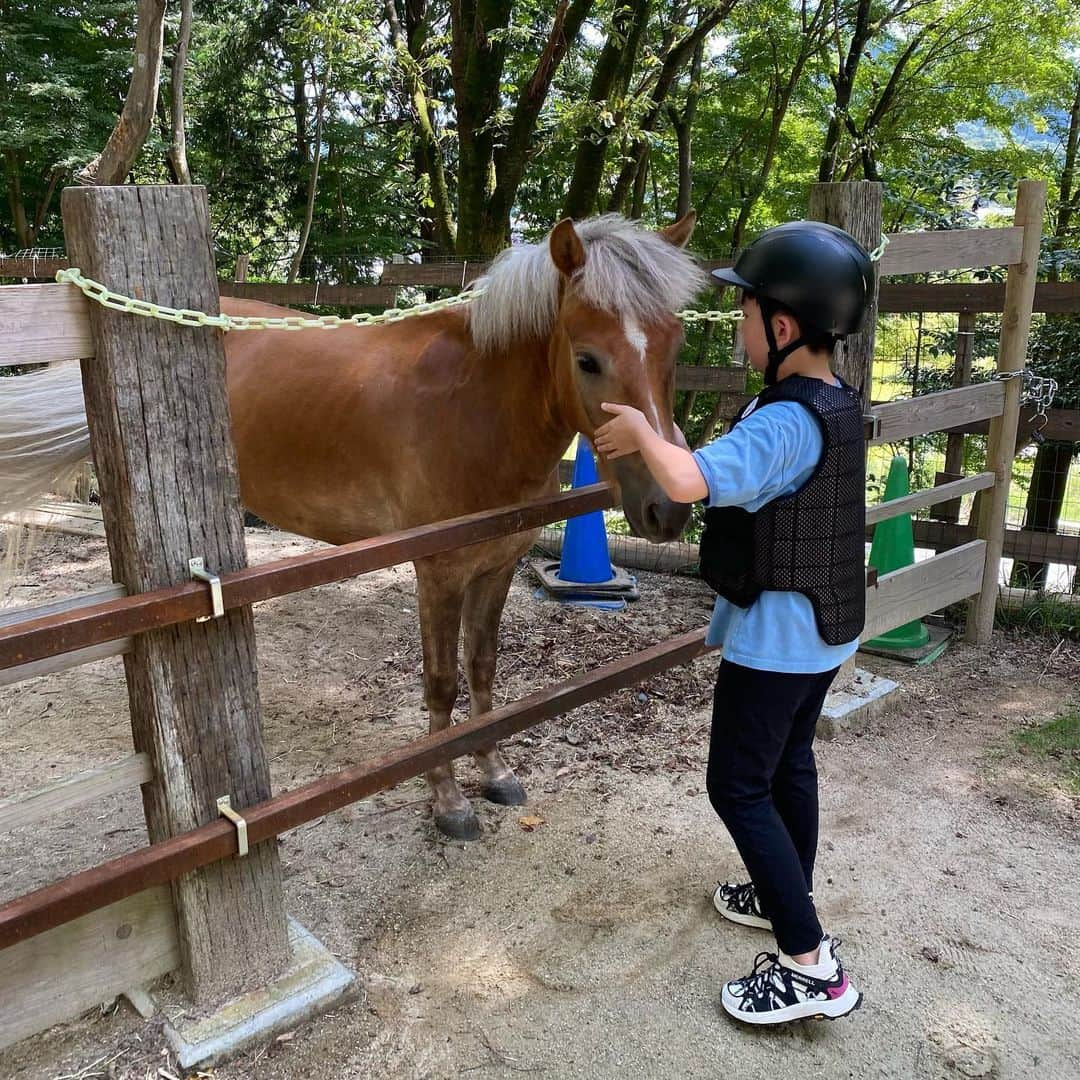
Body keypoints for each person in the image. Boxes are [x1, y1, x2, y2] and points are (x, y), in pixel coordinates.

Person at [594, 220, 872, 1026]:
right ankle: (785, 889)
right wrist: (671, 436)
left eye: (745, 312)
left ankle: (811, 965)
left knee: (736, 783)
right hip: (826, 628)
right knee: (788, 767)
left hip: (779, 639)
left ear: (782, 327)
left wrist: (644, 434)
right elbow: (724, 469)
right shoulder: (829, 402)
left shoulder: (783, 421)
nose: (740, 325)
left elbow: (685, 484)